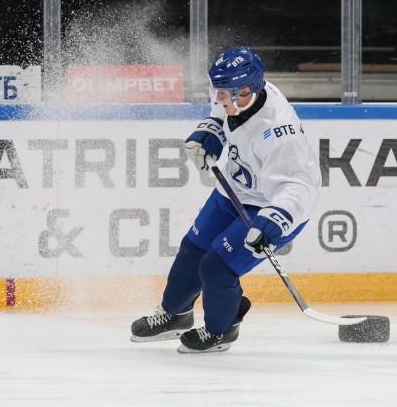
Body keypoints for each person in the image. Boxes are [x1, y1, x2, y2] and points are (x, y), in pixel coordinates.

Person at [130, 47, 322, 353]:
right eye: (216, 92)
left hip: (275, 207)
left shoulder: (279, 133)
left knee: (217, 268)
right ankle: (176, 314)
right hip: (233, 191)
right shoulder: (240, 93)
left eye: (226, 94)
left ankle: (222, 330)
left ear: (247, 91)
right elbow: (221, 110)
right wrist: (212, 129)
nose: (219, 99)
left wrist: (275, 221)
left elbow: (299, 186)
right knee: (192, 251)